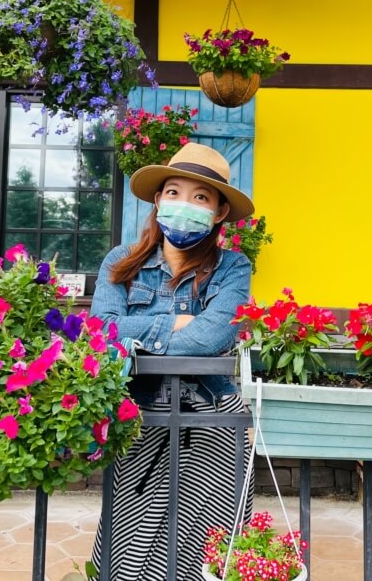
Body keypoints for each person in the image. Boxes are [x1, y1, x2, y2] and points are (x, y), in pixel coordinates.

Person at [86, 142, 255, 581]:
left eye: (201, 198)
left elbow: (215, 335)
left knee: (207, 543)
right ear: (158, 200)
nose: (185, 205)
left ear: (218, 212)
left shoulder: (232, 267)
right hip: (137, 414)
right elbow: (100, 329)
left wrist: (141, 332)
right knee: (129, 540)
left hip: (212, 415)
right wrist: (175, 323)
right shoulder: (121, 262)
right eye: (174, 192)